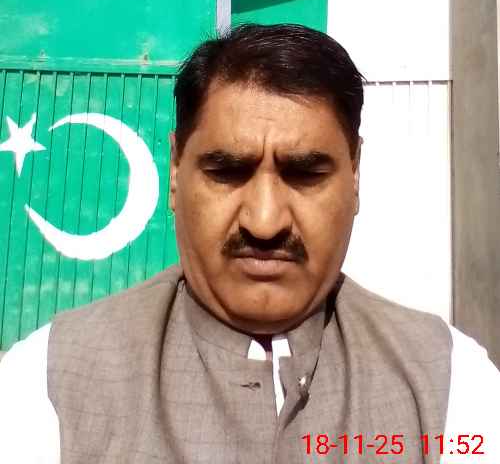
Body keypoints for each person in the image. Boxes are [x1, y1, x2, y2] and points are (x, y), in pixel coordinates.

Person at [0, 23, 498, 464]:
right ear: (175, 171)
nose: (264, 222)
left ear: (355, 174)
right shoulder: (49, 381)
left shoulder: (451, 383)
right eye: (226, 171)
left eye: (305, 174)